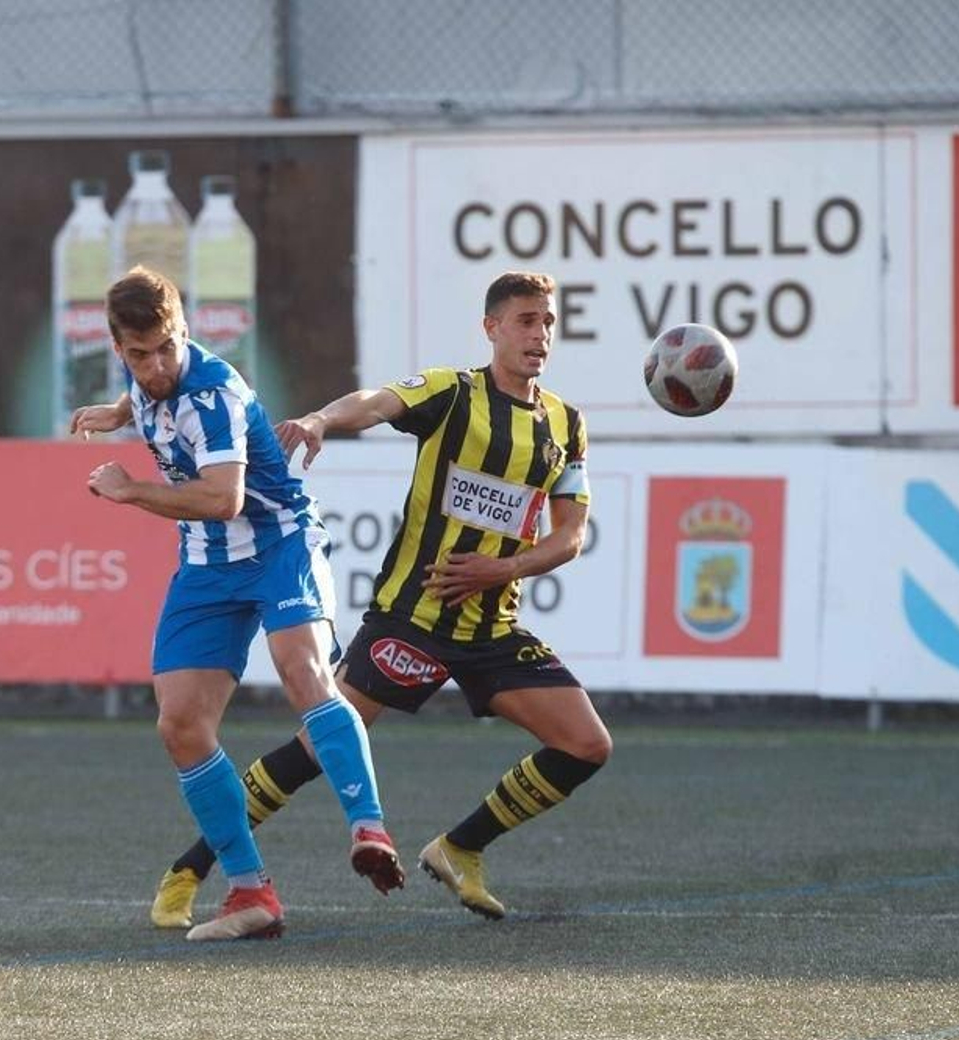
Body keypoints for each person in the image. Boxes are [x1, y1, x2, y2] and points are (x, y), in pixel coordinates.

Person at [147, 269, 610, 926]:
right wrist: (320, 418)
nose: (540, 335)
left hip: (492, 629)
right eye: (526, 321)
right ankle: (191, 866)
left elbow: (569, 537)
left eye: (549, 323)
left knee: (587, 745)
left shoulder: (566, 423)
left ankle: (460, 848)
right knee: (318, 745)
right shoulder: (454, 392)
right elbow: (378, 402)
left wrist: (497, 571)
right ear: (493, 328)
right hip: (412, 620)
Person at [71, 266, 401, 943]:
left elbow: (223, 498)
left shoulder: (213, 394)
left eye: (167, 347)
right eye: (139, 355)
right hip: (207, 564)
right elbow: (148, 394)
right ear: (118, 348)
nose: (157, 365)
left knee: (302, 672)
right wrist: (119, 410)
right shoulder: (142, 377)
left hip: (279, 543)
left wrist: (131, 490)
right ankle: (251, 893)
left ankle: (369, 828)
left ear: (184, 330)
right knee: (180, 724)